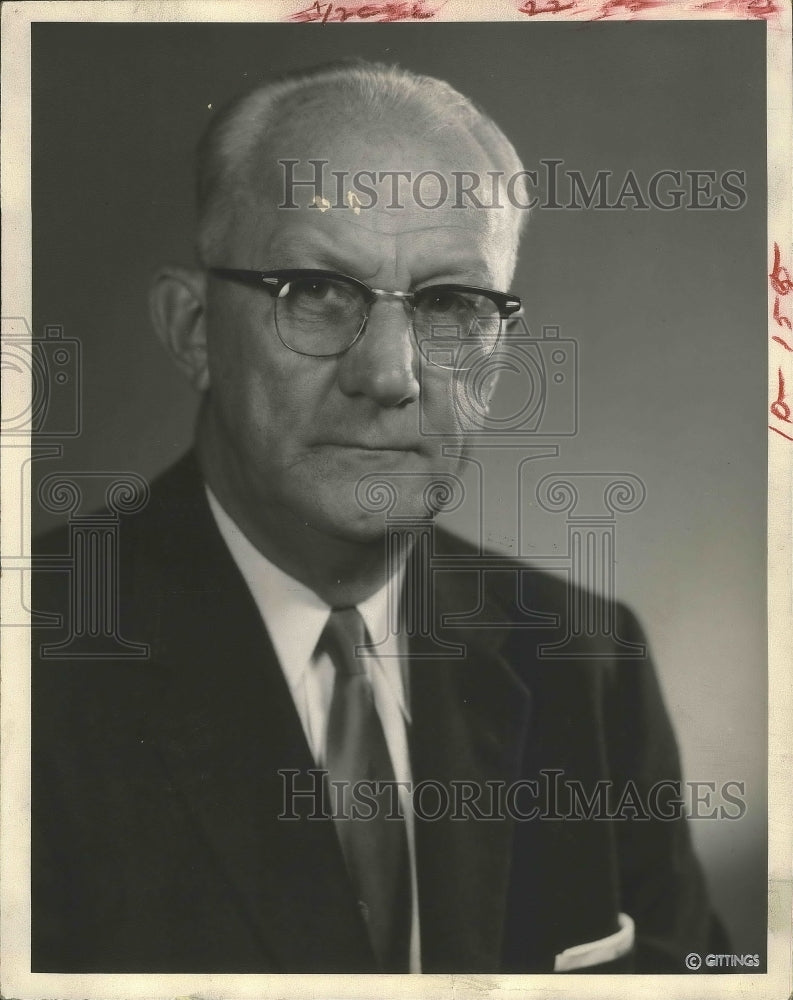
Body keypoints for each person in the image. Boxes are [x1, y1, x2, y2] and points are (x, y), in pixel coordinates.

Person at [31, 60, 725, 974]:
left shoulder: (588, 665)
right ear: (193, 328)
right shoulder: (31, 663)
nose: (390, 374)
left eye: (451, 304)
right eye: (315, 292)